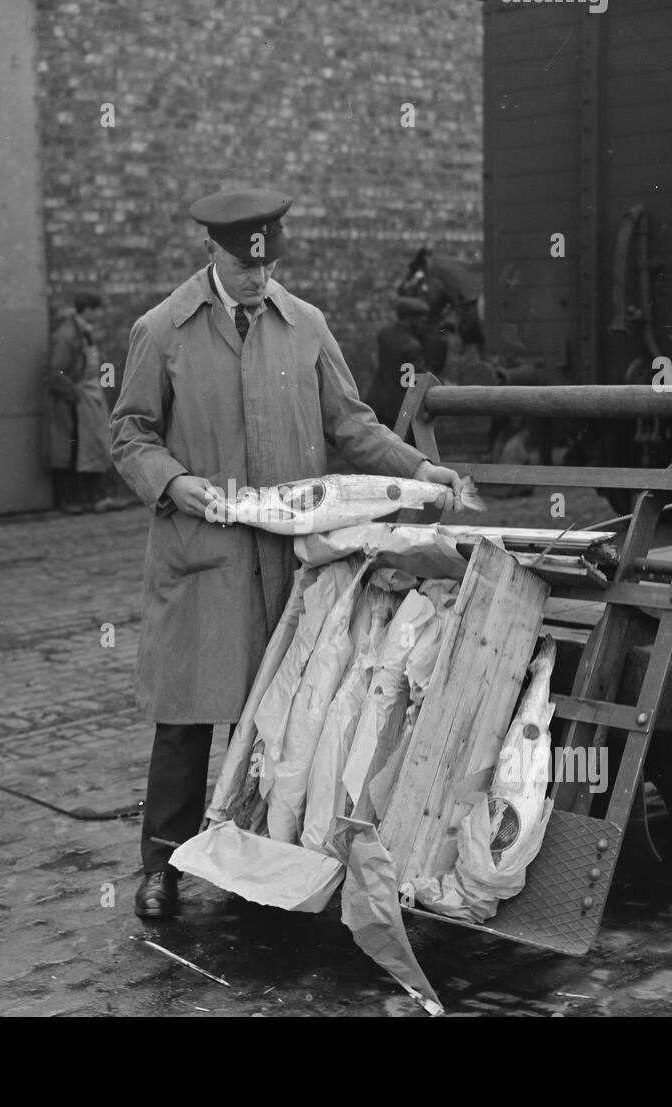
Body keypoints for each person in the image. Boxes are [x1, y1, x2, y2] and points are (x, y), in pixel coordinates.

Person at [109, 188, 466, 919]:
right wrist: (174, 483)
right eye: (244, 268)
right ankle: (162, 867)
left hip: (286, 563)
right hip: (200, 554)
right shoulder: (163, 330)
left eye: (267, 269)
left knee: (276, 713)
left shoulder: (305, 327)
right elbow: (129, 433)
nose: (258, 280)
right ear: (213, 252)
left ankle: (252, 862)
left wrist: (417, 469)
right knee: (185, 720)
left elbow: (353, 424)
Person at [48, 291, 117, 514]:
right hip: (74, 400)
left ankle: (97, 497)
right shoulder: (67, 335)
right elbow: (56, 372)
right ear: (86, 310)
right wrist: (74, 396)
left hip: (87, 395)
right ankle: (72, 500)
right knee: (74, 448)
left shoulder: (82, 331)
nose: (100, 314)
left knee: (95, 444)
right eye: (97, 309)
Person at [365, 295, 439, 429]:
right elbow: (415, 380)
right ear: (411, 319)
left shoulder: (385, 334)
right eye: (420, 320)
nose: (422, 324)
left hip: (377, 401)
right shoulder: (411, 346)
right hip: (398, 408)